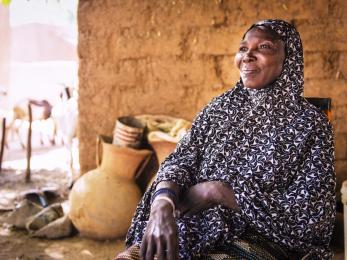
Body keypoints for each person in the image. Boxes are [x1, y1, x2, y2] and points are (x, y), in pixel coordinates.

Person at [116, 19, 336, 260]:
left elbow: (311, 216)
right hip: (192, 225)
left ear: (289, 57)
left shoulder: (310, 124)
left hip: (260, 236)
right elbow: (181, 159)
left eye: (264, 47)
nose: (248, 55)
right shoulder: (219, 109)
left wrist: (218, 192)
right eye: (243, 48)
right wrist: (162, 206)